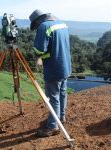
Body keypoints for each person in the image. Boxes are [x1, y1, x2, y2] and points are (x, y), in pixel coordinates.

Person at [29, 9, 72, 137]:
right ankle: (61, 117)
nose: (37, 28)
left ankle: (53, 126)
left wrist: (39, 57)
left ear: (37, 21)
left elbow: (39, 49)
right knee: (62, 93)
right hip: (65, 65)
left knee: (53, 98)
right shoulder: (61, 24)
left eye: (35, 25)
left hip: (53, 67)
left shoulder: (44, 26)